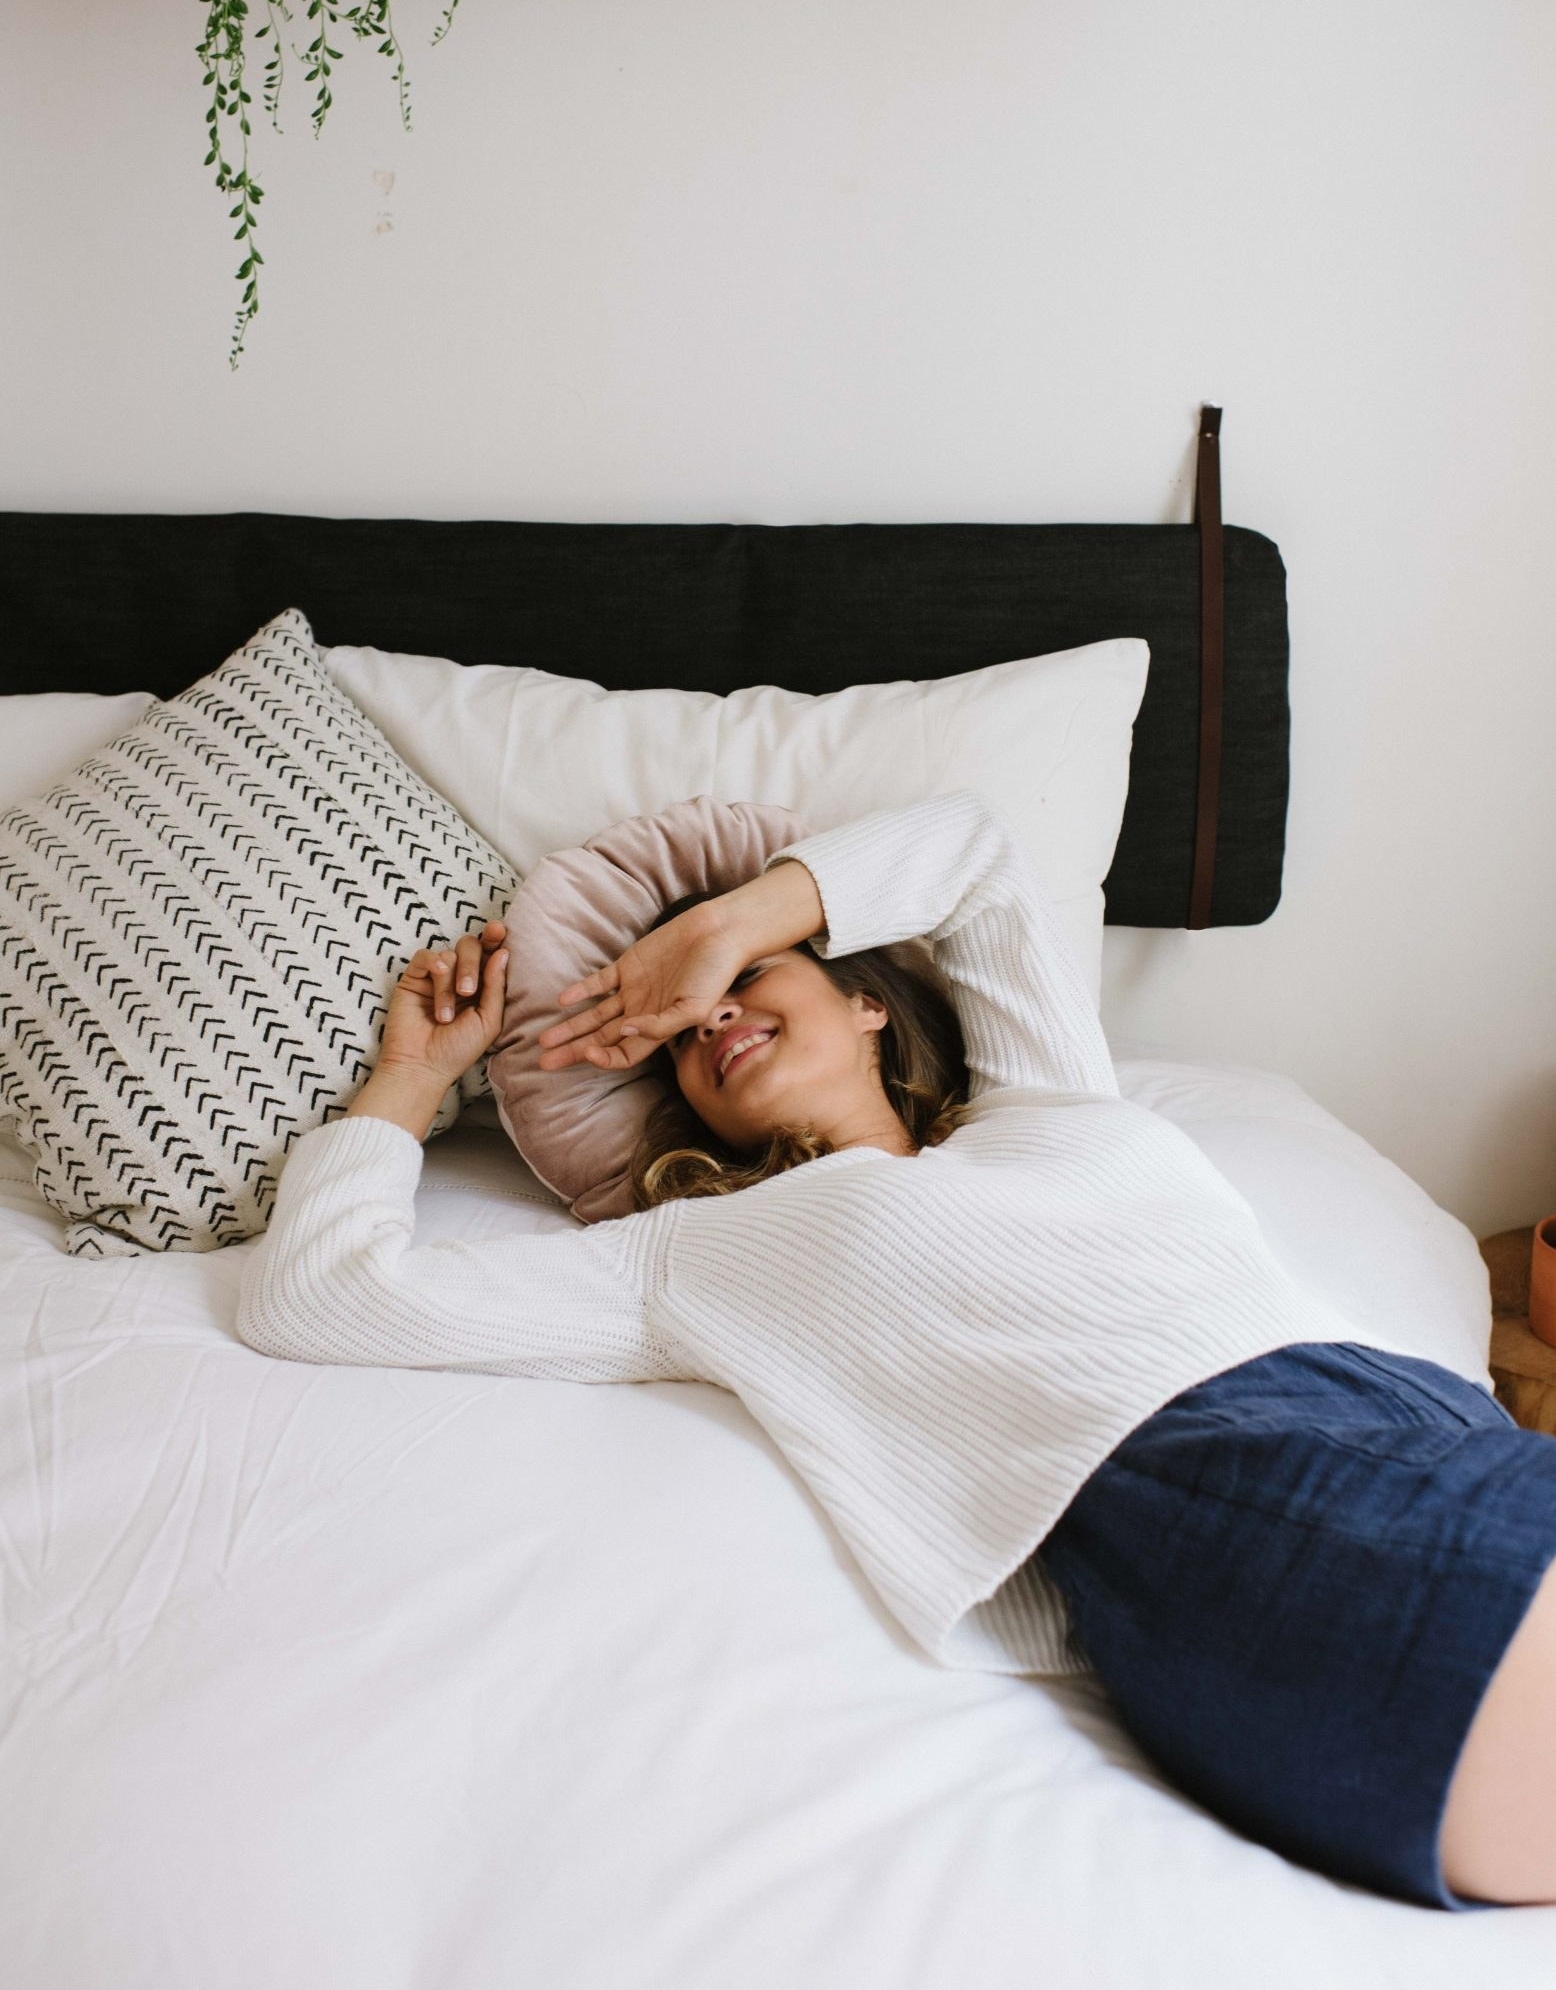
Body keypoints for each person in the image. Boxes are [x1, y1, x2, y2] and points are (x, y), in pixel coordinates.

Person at [237, 792, 1556, 1910]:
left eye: (742, 993)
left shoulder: (1045, 1099)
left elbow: (979, 845)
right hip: (1215, 1500)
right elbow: (320, 1295)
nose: (709, 1025)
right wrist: (411, 1081)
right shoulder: (701, 1254)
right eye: (680, 1042)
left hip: (1411, 1414)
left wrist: (725, 926)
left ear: (867, 1003)